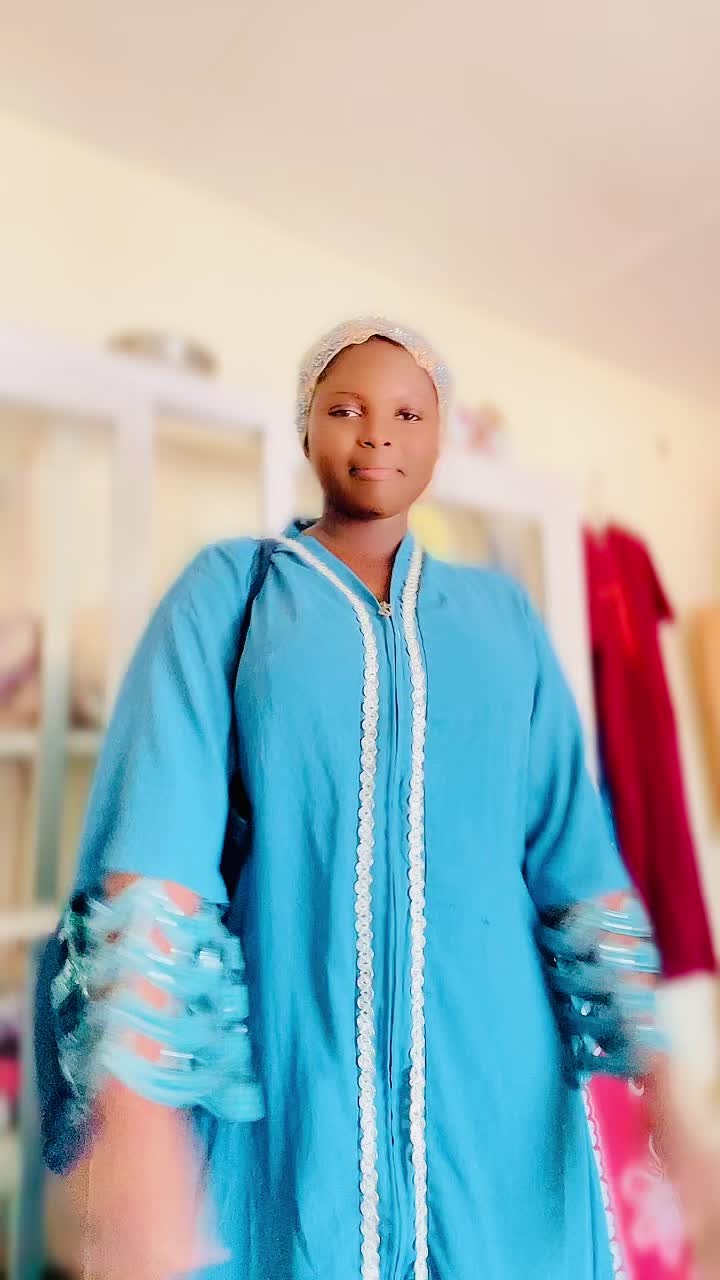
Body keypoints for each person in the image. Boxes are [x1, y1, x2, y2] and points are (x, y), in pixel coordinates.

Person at [42, 318, 678, 1280]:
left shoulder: (501, 621)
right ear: (306, 427)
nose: (378, 432)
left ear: (440, 436)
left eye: (408, 413)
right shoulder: (234, 594)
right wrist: (130, 1105)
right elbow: (158, 841)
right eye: (346, 408)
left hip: (499, 1115)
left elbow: (576, 863)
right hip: (293, 1097)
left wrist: (667, 1086)